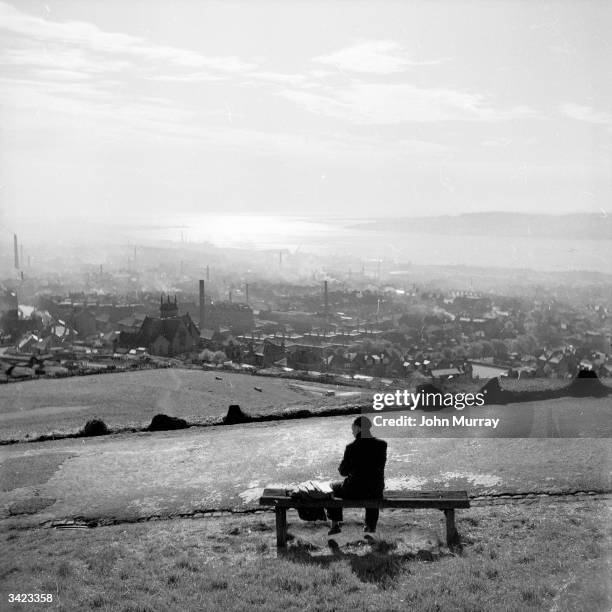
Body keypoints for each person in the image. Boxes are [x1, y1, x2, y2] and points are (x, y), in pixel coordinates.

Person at [326, 416, 387, 535]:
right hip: (376, 490)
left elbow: (343, 472)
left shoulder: (351, 447)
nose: (352, 431)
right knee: (373, 484)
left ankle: (335, 525)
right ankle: (370, 527)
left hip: (354, 490)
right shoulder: (382, 445)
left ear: (359, 428)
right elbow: (378, 468)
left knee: (332, 487)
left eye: (353, 428)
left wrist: (343, 467)